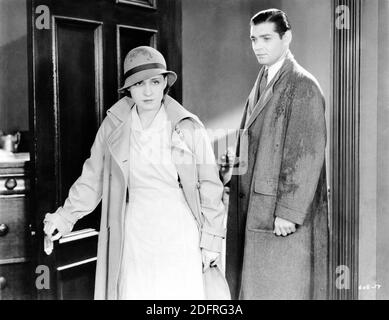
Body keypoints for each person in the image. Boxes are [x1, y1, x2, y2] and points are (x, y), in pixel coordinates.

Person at [43, 46, 226, 300]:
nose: (148, 91)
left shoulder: (188, 126)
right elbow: (93, 177)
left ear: (165, 83)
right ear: (128, 88)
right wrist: (64, 218)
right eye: (139, 84)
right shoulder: (114, 125)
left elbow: (210, 186)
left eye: (154, 81)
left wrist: (211, 242)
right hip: (135, 232)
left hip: (179, 231)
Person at [225, 9, 328, 299]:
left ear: (287, 38)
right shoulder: (264, 79)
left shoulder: (302, 84)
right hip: (256, 209)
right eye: (253, 39)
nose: (258, 46)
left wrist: (288, 212)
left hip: (278, 218)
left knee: (280, 288)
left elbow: (307, 154)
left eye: (266, 38)